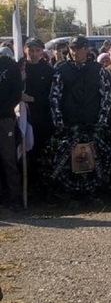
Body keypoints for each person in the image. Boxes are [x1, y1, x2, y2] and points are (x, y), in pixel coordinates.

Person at [48, 35, 111, 194]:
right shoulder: (61, 69)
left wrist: (101, 120)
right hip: (69, 123)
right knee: (68, 161)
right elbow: (54, 97)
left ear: (86, 49)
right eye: (72, 49)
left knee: (96, 158)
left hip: (93, 123)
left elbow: (107, 96)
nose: (74, 52)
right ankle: (71, 194)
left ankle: (95, 193)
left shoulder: (98, 69)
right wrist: (59, 122)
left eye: (78, 49)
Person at [21, 38, 55, 191]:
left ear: (42, 52)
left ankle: (43, 186)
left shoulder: (48, 71)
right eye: (31, 50)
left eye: (37, 51)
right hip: (22, 117)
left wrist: (33, 99)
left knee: (41, 152)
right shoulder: (20, 68)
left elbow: (52, 95)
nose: (33, 54)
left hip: (41, 118)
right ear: (24, 50)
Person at [0, 48, 23, 210]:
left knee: (8, 158)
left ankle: (15, 196)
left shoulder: (11, 67)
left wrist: (7, 108)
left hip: (5, 118)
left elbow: (16, 93)